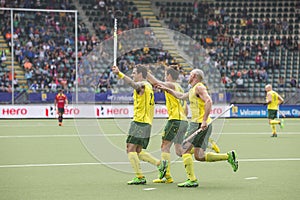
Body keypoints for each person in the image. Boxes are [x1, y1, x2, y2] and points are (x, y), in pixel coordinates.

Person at [157, 69, 238, 187]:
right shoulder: (192, 90)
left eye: (190, 75)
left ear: (194, 76)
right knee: (199, 156)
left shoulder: (199, 87)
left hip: (198, 124)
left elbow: (208, 101)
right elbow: (180, 95)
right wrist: (167, 89)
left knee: (184, 150)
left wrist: (204, 120)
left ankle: (192, 179)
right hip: (202, 124)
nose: (188, 77)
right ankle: (228, 156)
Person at [147, 65, 220, 184]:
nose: (165, 78)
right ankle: (208, 146)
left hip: (175, 119)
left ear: (169, 76)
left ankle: (167, 176)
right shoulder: (183, 88)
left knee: (165, 147)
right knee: (180, 151)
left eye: (166, 75)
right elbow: (184, 104)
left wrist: (146, 73)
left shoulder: (174, 84)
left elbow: (156, 82)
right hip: (183, 120)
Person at [111, 65, 168, 185]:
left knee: (130, 148)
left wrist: (119, 74)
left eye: (134, 73)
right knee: (137, 151)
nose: (132, 75)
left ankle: (140, 177)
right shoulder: (148, 86)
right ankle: (159, 164)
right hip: (146, 122)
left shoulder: (142, 85)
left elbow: (134, 85)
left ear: (141, 75)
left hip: (139, 122)